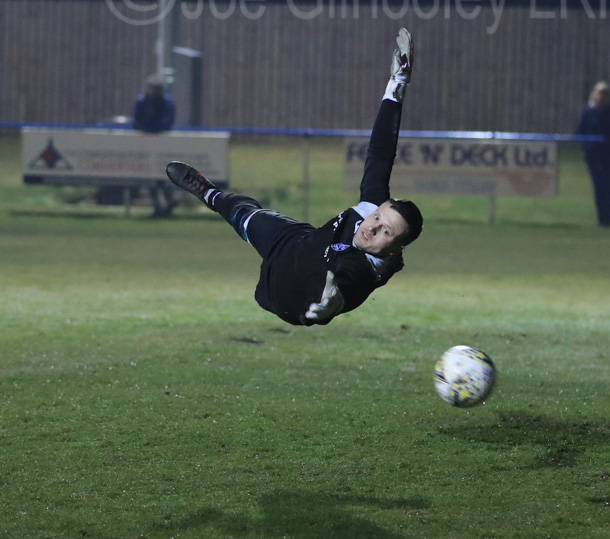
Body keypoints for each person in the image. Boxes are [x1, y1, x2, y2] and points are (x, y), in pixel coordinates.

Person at [165, 29, 423, 326]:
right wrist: (398, 84)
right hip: (297, 242)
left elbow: (348, 283)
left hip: (287, 294)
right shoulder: (372, 208)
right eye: (378, 218)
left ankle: (216, 199)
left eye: (386, 233)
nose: (373, 228)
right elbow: (381, 151)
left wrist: (332, 304)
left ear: (396, 249)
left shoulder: (365, 268)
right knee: (247, 213)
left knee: (265, 236)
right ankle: (209, 193)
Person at [575, 82, 610, 227]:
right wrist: (587, 147)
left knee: (608, 187)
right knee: (598, 187)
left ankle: (607, 217)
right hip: (594, 155)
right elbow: (581, 131)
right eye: (599, 93)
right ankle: (601, 218)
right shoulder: (589, 111)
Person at [132, 76, 178, 217]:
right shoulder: (142, 101)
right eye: (153, 88)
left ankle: (169, 203)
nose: (155, 91)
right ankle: (158, 206)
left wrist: (152, 129)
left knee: (163, 175)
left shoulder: (167, 102)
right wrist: (147, 129)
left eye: (157, 89)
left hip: (163, 144)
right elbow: (135, 121)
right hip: (145, 144)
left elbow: (167, 122)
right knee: (150, 176)